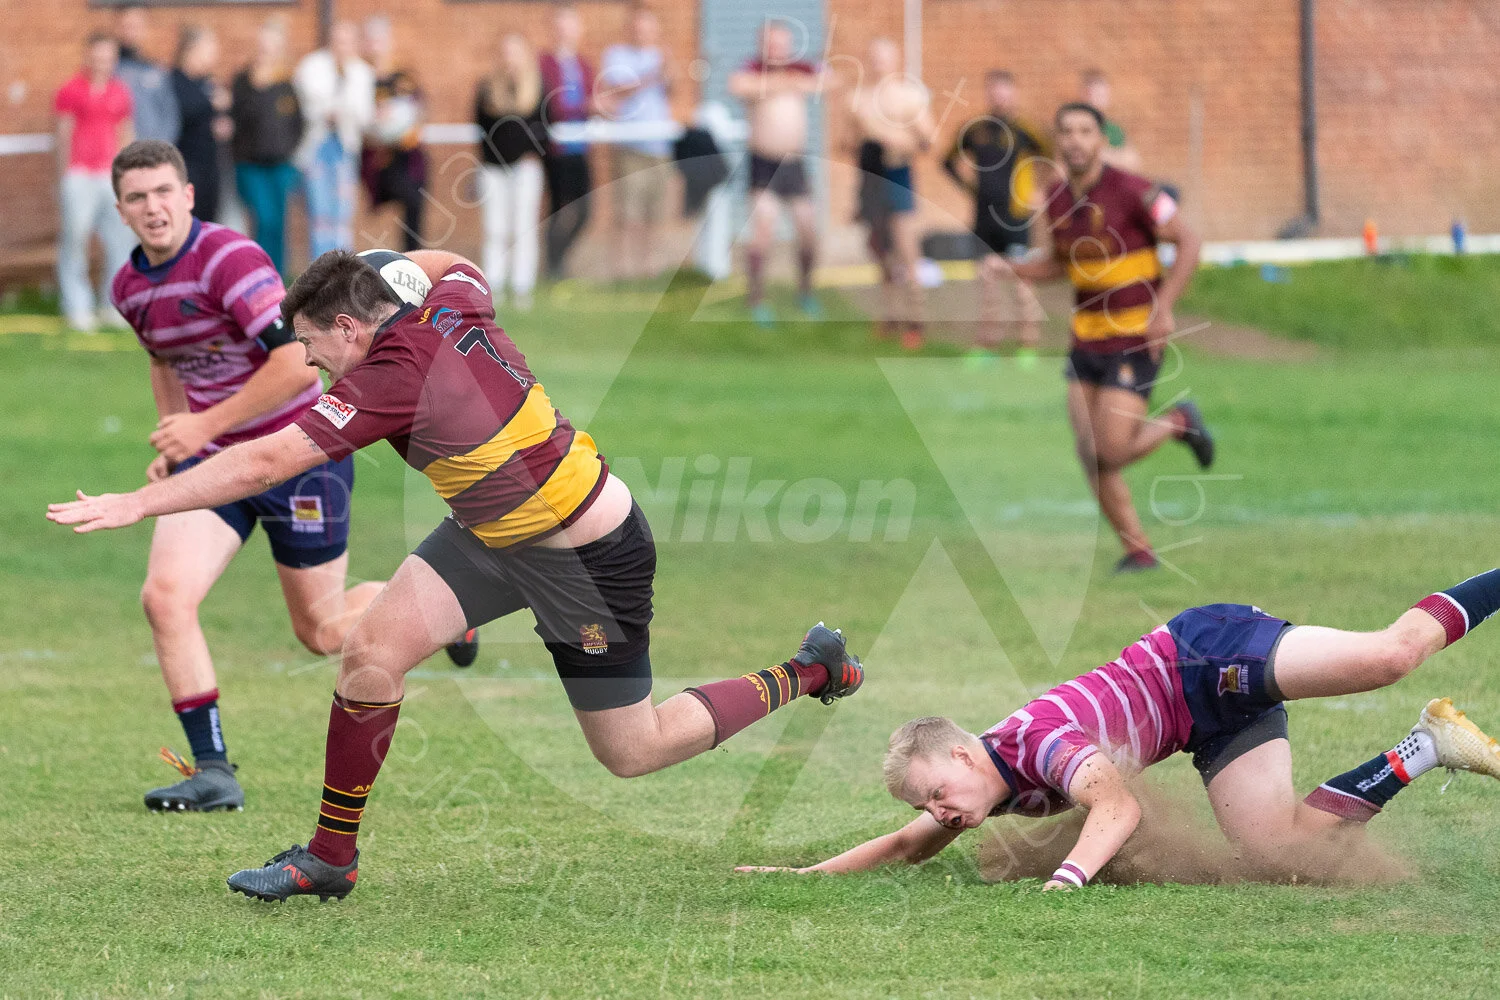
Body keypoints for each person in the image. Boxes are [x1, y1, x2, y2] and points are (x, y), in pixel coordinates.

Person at [48, 246, 868, 901]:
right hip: (487, 535)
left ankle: (807, 669)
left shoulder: (389, 379)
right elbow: (444, 259)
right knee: (368, 653)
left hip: (586, 559)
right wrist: (375, 259)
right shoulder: (456, 297)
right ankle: (331, 858)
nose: (307, 361)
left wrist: (134, 504)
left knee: (631, 750)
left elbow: (264, 460)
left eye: (310, 345)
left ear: (347, 327)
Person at [739, 574, 1500, 886]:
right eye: (925, 805)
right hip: (1208, 724)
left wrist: (1066, 883)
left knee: (1392, 654)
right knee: (1278, 856)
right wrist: (805, 880)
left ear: (966, 753)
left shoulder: (1034, 742)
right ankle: (1427, 746)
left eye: (936, 791)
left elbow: (1119, 808)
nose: (935, 813)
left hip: (1206, 658)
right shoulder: (979, 794)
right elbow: (907, 846)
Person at [99, 141, 383, 812]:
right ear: (121, 210)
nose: (153, 207)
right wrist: (177, 437)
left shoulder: (228, 259)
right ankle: (213, 770)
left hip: (296, 453)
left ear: (189, 195)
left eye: (164, 191)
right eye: (137, 198)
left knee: (320, 631)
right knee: (165, 596)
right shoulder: (129, 286)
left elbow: (294, 363)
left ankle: (447, 609)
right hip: (217, 465)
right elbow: (165, 361)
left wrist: (203, 423)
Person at [992, 103, 1207, 573]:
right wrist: (1014, 269)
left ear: (1100, 140)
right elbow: (1059, 265)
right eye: (1065, 131)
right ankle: (1139, 552)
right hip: (1085, 340)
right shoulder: (1055, 199)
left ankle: (1178, 422)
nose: (1074, 140)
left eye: (1085, 131)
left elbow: (1189, 241)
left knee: (1110, 449)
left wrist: (1163, 307)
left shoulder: (1135, 191)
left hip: (1133, 336)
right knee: (1089, 453)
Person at [942, 70, 1051, 361]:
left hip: (1016, 217)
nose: (999, 96)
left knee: (1022, 283)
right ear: (987, 93)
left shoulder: (1027, 130)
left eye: (1004, 90)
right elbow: (947, 161)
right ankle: (987, 346)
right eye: (993, 90)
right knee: (987, 282)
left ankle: (1027, 346)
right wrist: (970, 188)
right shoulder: (975, 128)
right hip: (984, 219)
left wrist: (1042, 194)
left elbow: (1053, 162)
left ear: (1013, 93)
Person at [729, 20, 823, 327]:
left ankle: (805, 292)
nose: (776, 49)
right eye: (771, 44)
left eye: (781, 43)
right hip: (764, 164)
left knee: (808, 230)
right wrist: (785, 84)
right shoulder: (753, 69)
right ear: (762, 46)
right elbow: (737, 85)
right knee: (763, 230)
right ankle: (756, 297)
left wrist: (796, 82)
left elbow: (833, 80)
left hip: (794, 166)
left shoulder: (802, 69)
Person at [847, 38, 935, 351]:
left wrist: (894, 138)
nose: (879, 64)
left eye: (885, 58)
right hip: (870, 179)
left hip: (898, 175)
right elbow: (849, 143)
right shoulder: (858, 99)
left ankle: (917, 319)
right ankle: (890, 315)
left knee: (906, 249)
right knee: (880, 250)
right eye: (874, 58)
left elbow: (928, 140)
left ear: (896, 61)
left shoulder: (909, 97)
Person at [54, 33, 135, 332]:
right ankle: (77, 305)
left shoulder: (120, 91)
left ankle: (112, 306)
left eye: (108, 56)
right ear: (88, 55)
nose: (103, 62)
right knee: (75, 239)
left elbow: (125, 132)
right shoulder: (70, 90)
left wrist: (127, 175)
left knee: (119, 240)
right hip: (80, 174)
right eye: (98, 55)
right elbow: (63, 133)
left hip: (109, 175)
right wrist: (65, 176)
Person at [597, 5, 675, 281]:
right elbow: (617, 91)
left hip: (659, 147)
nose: (643, 32)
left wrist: (668, 70)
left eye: (649, 26)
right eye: (639, 26)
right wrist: (653, 73)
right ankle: (622, 271)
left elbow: (671, 91)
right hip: (630, 145)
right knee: (627, 214)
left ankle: (649, 271)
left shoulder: (661, 57)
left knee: (655, 214)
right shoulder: (616, 55)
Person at [475, 32, 546, 309]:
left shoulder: (537, 87)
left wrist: (532, 154)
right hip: (493, 169)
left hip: (526, 168)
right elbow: (482, 127)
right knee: (495, 228)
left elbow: (544, 127)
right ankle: (494, 285)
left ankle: (522, 287)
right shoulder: (487, 87)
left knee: (523, 227)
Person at [294, 21, 375, 258]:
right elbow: (308, 103)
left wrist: (338, 109)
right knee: (319, 213)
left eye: (347, 41)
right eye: (339, 40)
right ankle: (319, 271)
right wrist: (332, 109)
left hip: (345, 148)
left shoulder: (362, 72)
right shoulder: (312, 66)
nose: (342, 47)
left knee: (342, 214)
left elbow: (364, 113)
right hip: (316, 146)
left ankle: (342, 270)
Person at [230, 18, 303, 276]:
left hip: (280, 166)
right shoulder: (242, 81)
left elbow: (297, 122)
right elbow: (236, 118)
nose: (267, 48)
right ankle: (259, 274)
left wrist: (288, 149)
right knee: (263, 219)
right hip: (251, 164)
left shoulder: (287, 84)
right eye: (264, 42)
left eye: (274, 43)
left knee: (279, 225)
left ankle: (277, 277)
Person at [360, 16, 428, 252]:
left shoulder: (403, 78)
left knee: (413, 206)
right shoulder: (360, 78)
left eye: (380, 40)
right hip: (372, 160)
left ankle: (412, 261)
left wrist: (399, 122)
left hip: (406, 156)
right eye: (370, 40)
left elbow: (419, 112)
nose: (375, 46)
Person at [539, 3, 597, 281]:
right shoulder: (545, 64)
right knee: (557, 209)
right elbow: (551, 107)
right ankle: (553, 268)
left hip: (580, 147)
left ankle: (558, 260)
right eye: (561, 24)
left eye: (571, 24)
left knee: (585, 210)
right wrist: (585, 106)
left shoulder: (584, 66)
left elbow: (592, 101)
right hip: (556, 149)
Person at [171, 25, 231, 223]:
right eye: (210, 48)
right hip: (186, 168)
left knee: (208, 227)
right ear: (192, 49)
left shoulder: (208, 82)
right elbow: (183, 112)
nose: (214, 54)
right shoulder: (175, 81)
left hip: (210, 168)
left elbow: (214, 119)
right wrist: (209, 104)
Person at [115, 5, 180, 145]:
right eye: (126, 26)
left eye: (135, 26)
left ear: (144, 28)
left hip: (150, 152)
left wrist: (161, 147)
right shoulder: (109, 70)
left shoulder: (156, 71)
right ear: (117, 28)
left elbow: (170, 115)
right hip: (115, 154)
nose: (130, 32)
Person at [1080, 69, 1141, 172]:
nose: (1102, 98)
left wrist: (1105, 156)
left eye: (1104, 93)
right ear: (1085, 94)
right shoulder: (1076, 126)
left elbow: (1133, 162)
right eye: (1097, 94)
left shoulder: (1114, 128)